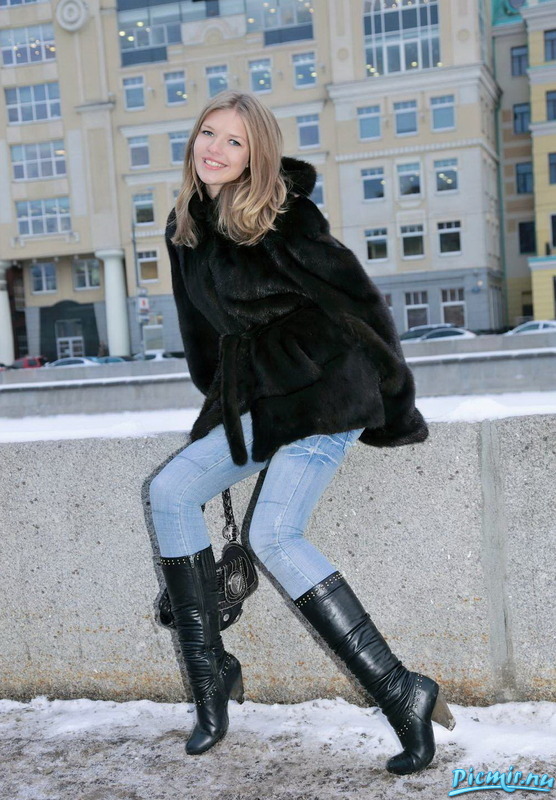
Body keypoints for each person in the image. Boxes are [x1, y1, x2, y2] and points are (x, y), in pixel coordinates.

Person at [149, 90, 455, 775]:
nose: (215, 149)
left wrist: (393, 398)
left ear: (255, 154)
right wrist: (220, 408)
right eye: (208, 133)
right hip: (262, 395)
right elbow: (203, 337)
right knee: (170, 491)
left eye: (234, 141)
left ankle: (401, 692)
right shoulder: (184, 227)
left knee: (274, 535)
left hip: (326, 388)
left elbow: (358, 300)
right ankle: (211, 679)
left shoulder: (283, 214)